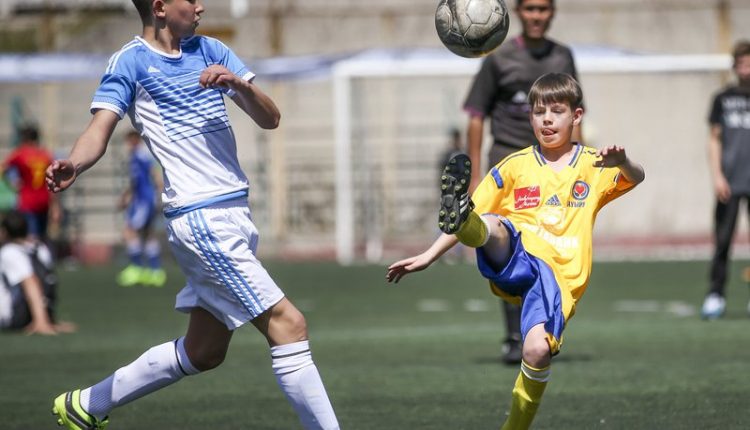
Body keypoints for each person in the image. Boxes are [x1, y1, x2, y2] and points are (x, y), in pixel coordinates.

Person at [45, 1, 339, 429]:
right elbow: (98, 129)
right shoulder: (130, 62)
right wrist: (74, 162)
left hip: (234, 214)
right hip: (202, 219)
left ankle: (86, 403)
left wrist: (237, 84)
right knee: (289, 325)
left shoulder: (211, 49)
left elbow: (270, 118)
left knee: (204, 351)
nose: (201, 6)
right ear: (160, 7)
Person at [387, 73, 644, 429]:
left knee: (537, 351)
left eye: (556, 111)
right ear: (530, 117)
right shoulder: (514, 166)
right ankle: (470, 227)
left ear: (576, 116)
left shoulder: (592, 164)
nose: (547, 120)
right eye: (539, 112)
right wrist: (430, 254)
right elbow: (471, 207)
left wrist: (624, 162)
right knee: (491, 221)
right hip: (515, 256)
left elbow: (637, 176)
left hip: (557, 280)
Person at [463, 0, 581, 364]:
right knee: (508, 246)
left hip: (552, 164)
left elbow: (575, 112)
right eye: (530, 9)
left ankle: (539, 329)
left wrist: (579, 164)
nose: (536, 16)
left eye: (543, 9)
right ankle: (515, 336)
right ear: (517, 13)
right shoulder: (498, 58)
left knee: (545, 245)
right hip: (507, 164)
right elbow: (476, 116)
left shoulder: (563, 56)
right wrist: (476, 174)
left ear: (552, 13)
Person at [701, 40, 750, 319]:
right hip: (729, 182)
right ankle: (715, 295)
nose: (746, 69)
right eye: (741, 63)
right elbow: (714, 139)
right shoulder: (722, 98)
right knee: (722, 241)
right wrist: (718, 176)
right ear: (734, 66)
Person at [0, 210, 75, 335]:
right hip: (41, 309)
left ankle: (40, 320)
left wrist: (41, 322)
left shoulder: (9, 252)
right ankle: (44, 319)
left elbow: (30, 281)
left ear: (5, 232)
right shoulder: (39, 247)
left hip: (14, 317)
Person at [116, 130, 166, 288]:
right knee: (148, 233)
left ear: (135, 139)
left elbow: (154, 172)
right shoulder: (136, 156)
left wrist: (159, 193)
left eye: (129, 141)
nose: (128, 145)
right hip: (142, 199)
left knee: (129, 231)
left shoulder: (142, 154)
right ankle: (155, 272)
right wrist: (126, 197)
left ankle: (137, 269)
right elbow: (135, 181)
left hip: (145, 201)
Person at [2, 125, 61, 241]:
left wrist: (12, 184)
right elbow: (54, 180)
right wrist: (55, 206)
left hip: (27, 203)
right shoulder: (46, 155)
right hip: (44, 202)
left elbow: (3, 168)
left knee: (30, 238)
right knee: (41, 238)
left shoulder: (21, 153)